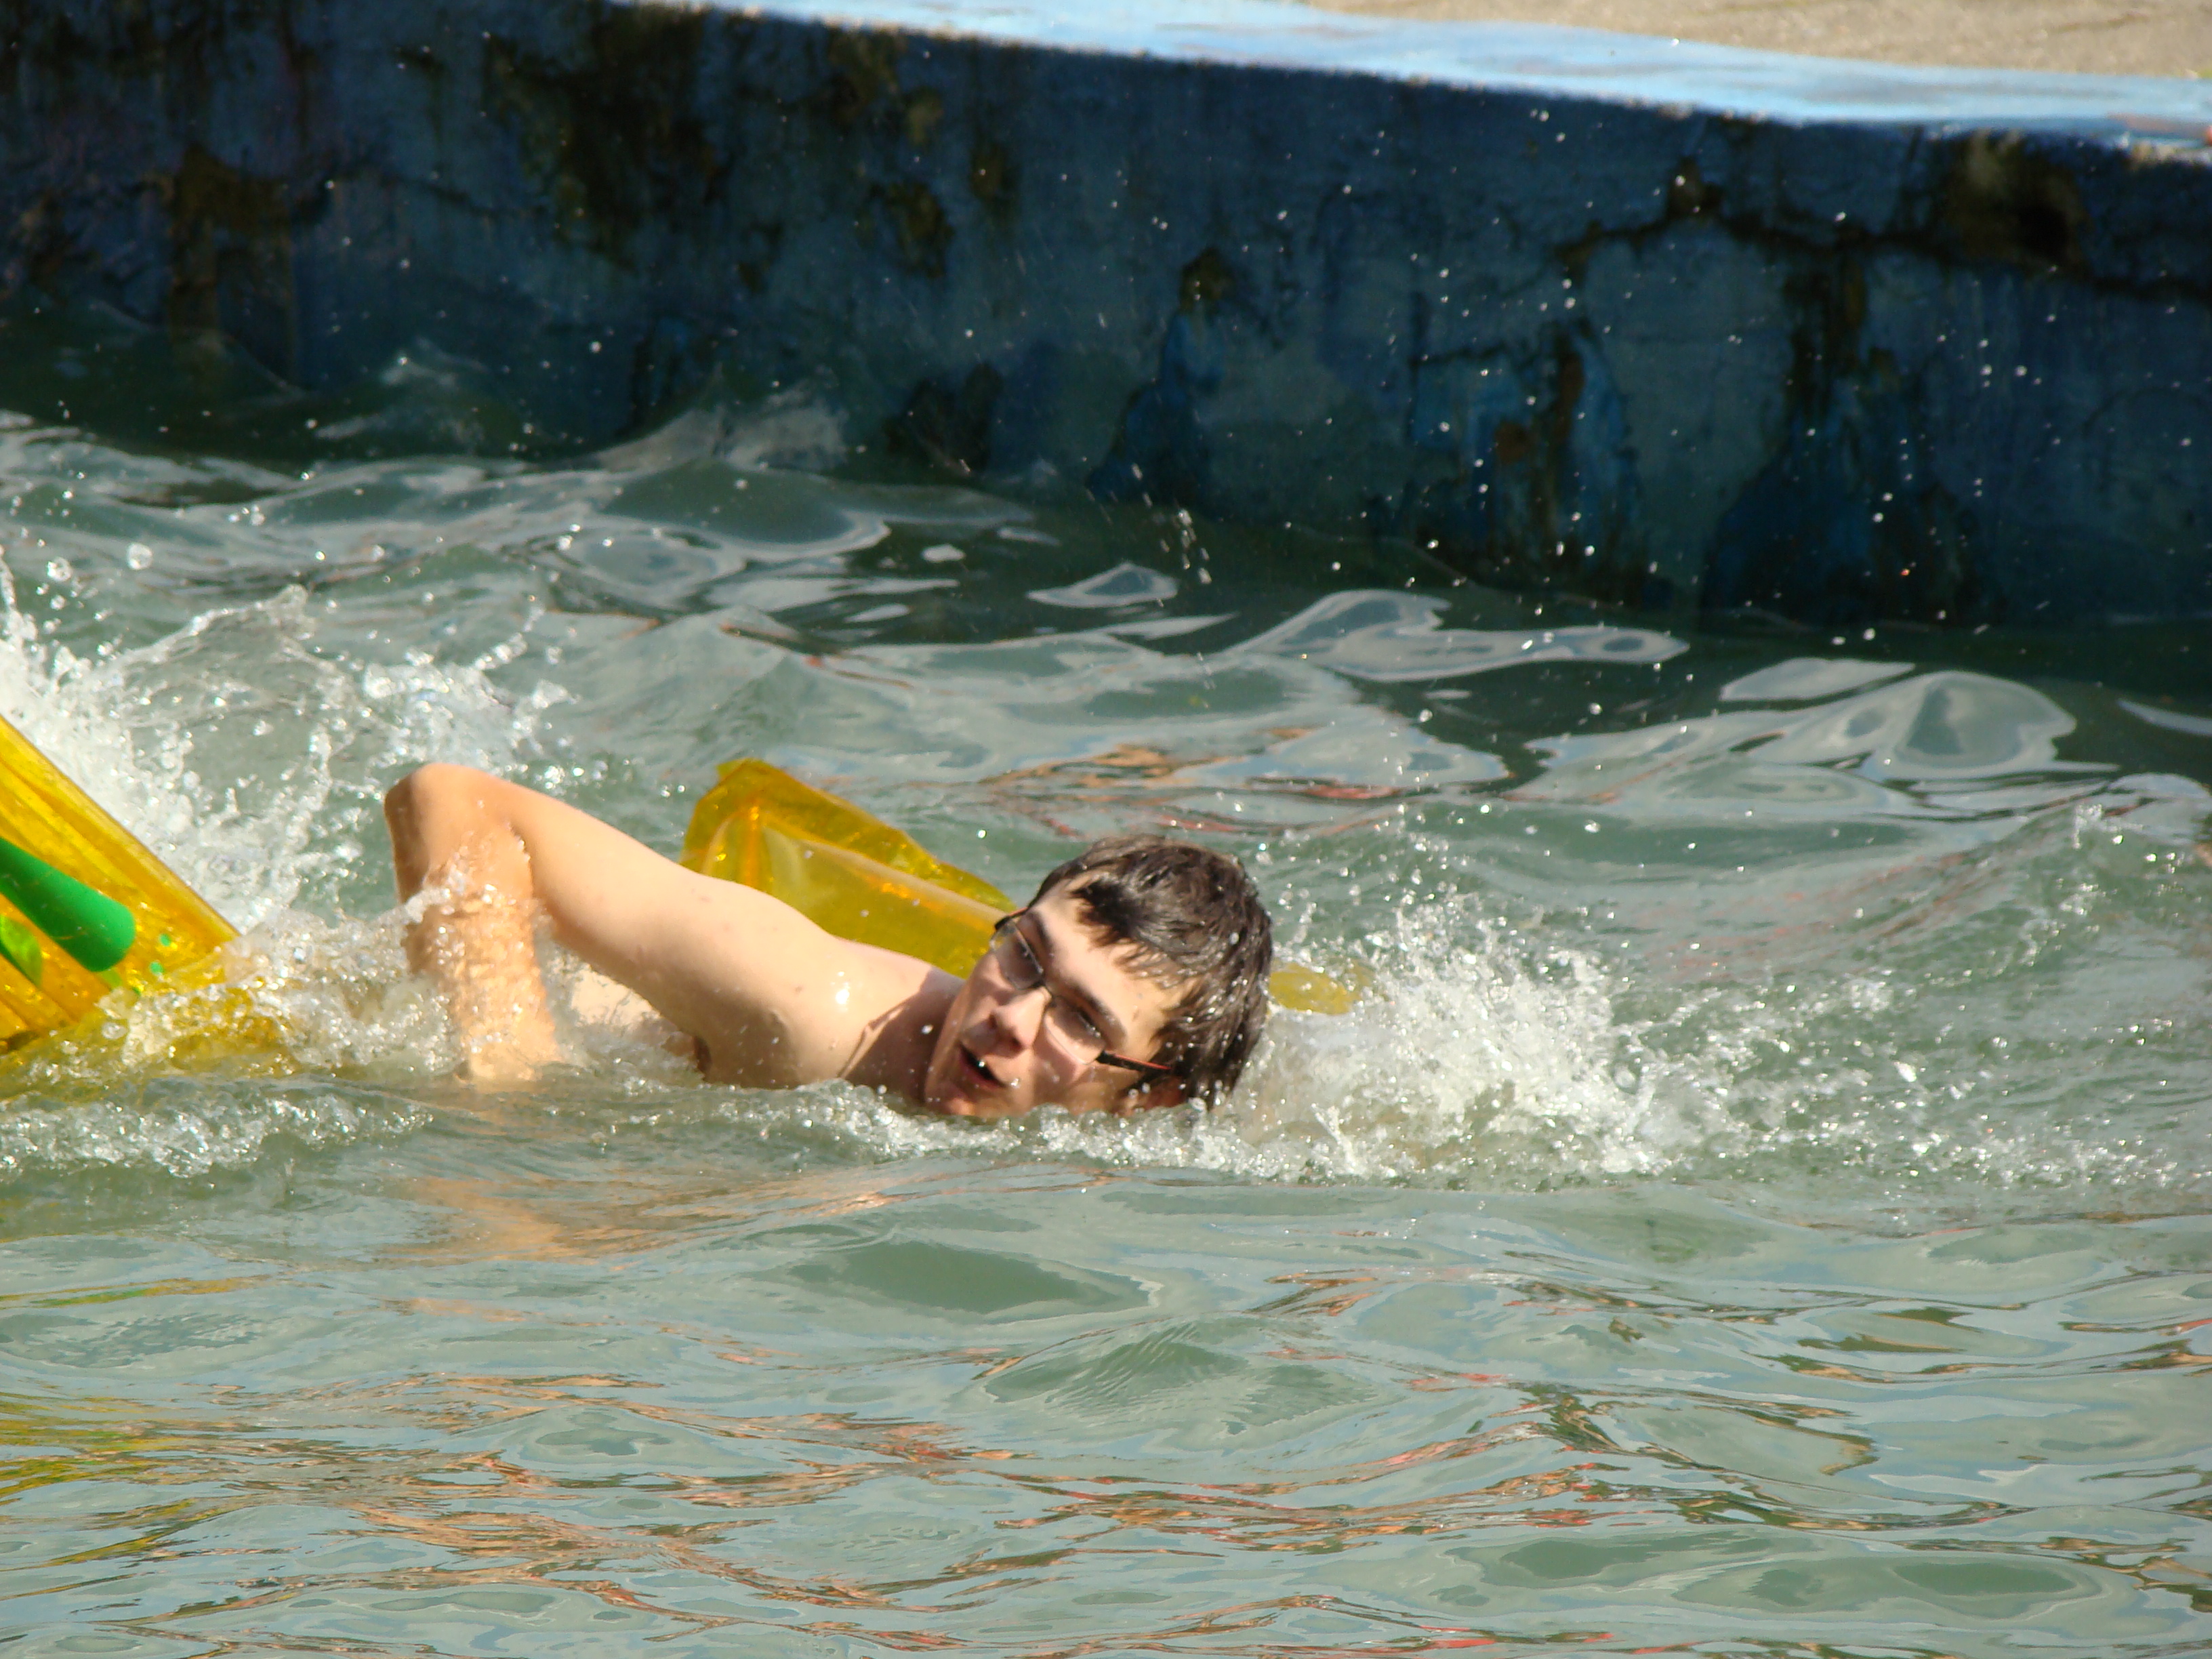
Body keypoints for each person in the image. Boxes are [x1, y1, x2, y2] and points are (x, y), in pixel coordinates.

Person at [382, 764, 1273, 1117]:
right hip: (377, 1026)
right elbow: (450, 801)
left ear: (1150, 1097)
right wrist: (511, 1093)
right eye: (1025, 956)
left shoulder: (1180, 1150)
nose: (1011, 1016)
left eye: (1080, 1020)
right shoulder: (807, 1014)